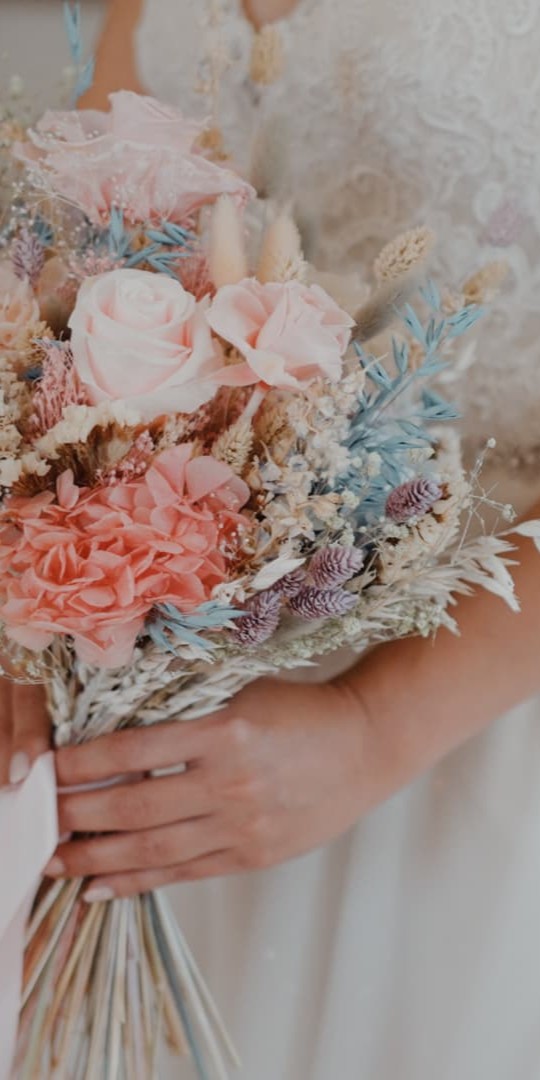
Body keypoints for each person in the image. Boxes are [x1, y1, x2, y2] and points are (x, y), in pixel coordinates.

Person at [4, 2, 540, 1077]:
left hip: (474, 697)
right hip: (170, 712)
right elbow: (75, 288)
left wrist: (374, 724)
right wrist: (35, 622)